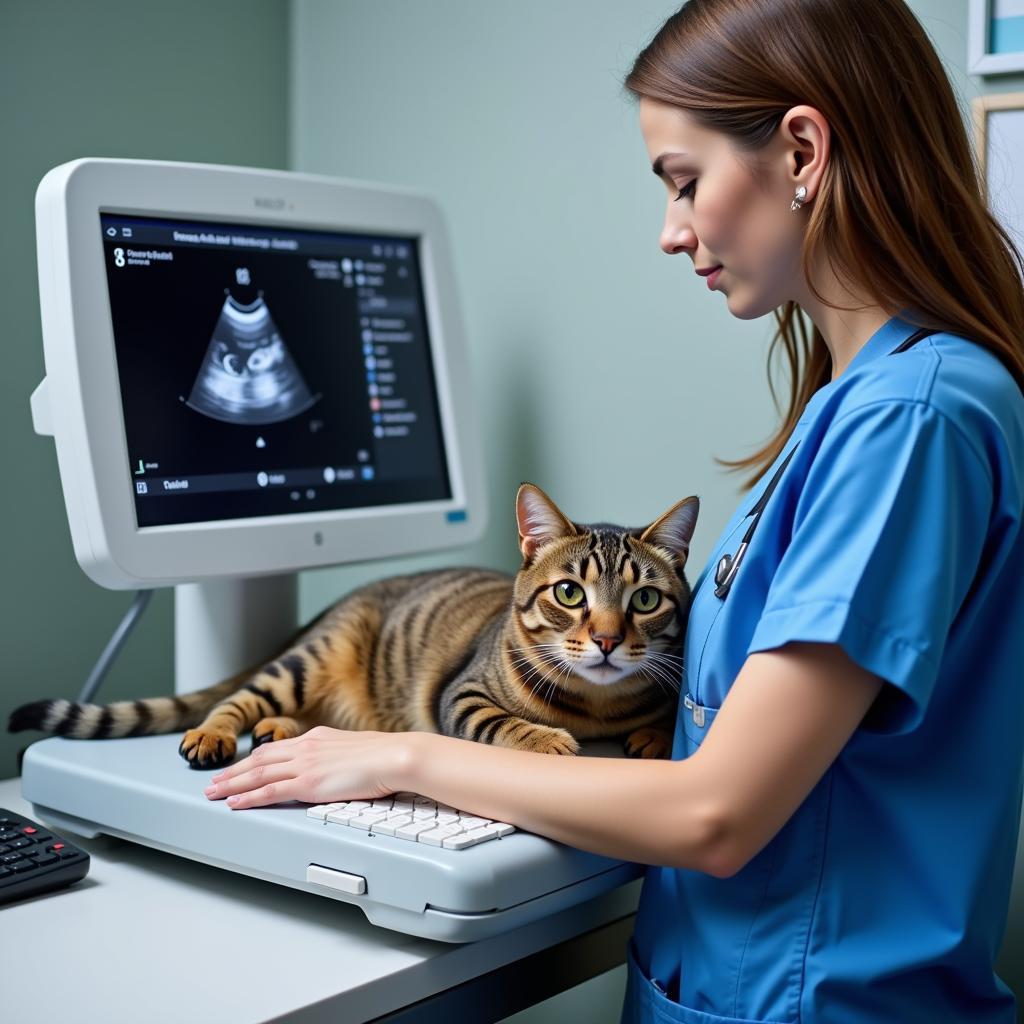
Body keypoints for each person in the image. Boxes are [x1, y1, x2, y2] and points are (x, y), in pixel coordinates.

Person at [202, 0, 1024, 1019]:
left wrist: (401, 756)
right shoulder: (862, 401)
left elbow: (719, 811)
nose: (671, 233)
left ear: (802, 151)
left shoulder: (909, 419)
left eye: (684, 183)